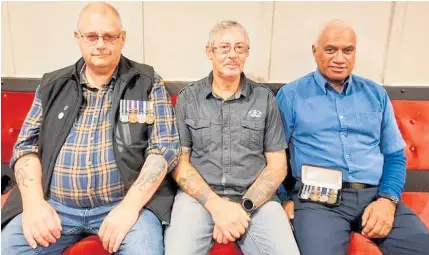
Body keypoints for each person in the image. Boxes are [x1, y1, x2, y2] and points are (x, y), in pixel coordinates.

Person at [1, 3, 180, 255]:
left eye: (109, 36)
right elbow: (25, 148)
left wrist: (129, 208)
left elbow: (164, 149)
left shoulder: (146, 82)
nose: (100, 44)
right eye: (91, 36)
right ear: (78, 38)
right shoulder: (52, 85)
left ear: (123, 38)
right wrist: (34, 204)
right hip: (54, 205)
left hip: (124, 205)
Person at [276, 19, 429, 255]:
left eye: (347, 50)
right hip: (318, 201)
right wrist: (283, 199)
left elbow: (394, 156)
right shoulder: (291, 95)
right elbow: (273, 154)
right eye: (331, 50)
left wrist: (388, 200)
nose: (339, 58)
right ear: (315, 51)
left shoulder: (375, 94)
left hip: (374, 194)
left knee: (425, 248)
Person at [164, 20, 300, 255]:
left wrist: (242, 210)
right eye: (224, 48)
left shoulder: (264, 99)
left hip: (256, 199)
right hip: (198, 199)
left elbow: (277, 166)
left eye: (240, 48)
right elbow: (180, 165)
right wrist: (217, 207)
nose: (232, 55)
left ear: (247, 53)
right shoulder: (188, 99)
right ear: (210, 52)